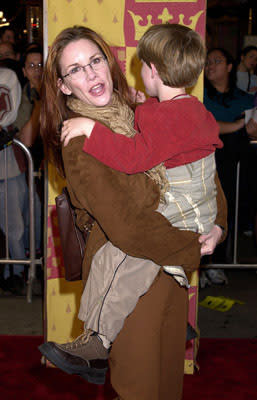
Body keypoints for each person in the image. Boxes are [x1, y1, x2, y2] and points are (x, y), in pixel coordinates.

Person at [39, 26, 227, 400]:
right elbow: (129, 227)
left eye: (94, 61)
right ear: (62, 86)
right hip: (131, 282)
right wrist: (192, 248)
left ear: (109, 64)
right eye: (75, 69)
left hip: (170, 273)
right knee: (140, 390)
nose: (90, 73)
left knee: (169, 384)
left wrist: (219, 224)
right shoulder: (79, 139)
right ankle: (96, 341)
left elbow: (204, 172)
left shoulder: (144, 113)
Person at [204, 47, 257, 285]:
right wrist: (238, 127)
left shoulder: (241, 97)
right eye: (207, 62)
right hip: (208, 163)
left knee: (231, 209)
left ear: (229, 67)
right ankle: (205, 265)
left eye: (216, 61)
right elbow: (208, 127)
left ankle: (220, 261)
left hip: (235, 167)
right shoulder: (200, 96)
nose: (210, 66)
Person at [0, 66, 27, 293]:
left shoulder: (8, 76)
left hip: (6, 164)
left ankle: (17, 273)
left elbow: (9, 112)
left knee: (14, 225)